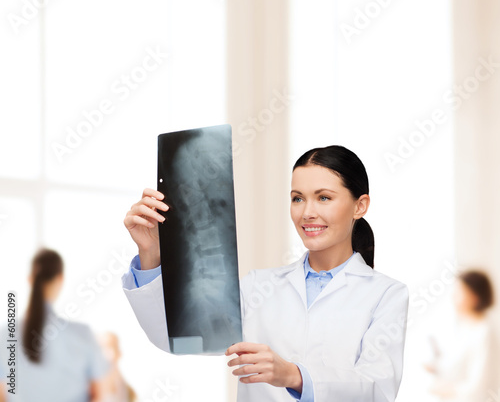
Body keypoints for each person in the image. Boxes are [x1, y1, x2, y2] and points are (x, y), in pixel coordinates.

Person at [121, 145, 409, 401]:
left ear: (360, 206)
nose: (307, 212)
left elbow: (378, 389)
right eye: (297, 198)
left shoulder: (386, 294)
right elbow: (176, 337)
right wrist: (150, 253)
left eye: (323, 198)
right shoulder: (259, 286)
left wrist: (294, 376)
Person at [0, 248, 109, 402]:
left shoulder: (5, 334)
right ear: (60, 279)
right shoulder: (82, 334)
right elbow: (98, 394)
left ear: (30, 279)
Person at [425, 270, 497, 401]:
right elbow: (457, 365)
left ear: (475, 297)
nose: (453, 297)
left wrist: (448, 390)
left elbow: (479, 385)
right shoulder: (464, 326)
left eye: (459, 293)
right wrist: (436, 366)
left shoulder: (484, 332)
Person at [98, 332, 138, 402]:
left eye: (113, 347)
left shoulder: (129, 393)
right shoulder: (88, 389)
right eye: (103, 348)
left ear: (119, 353)